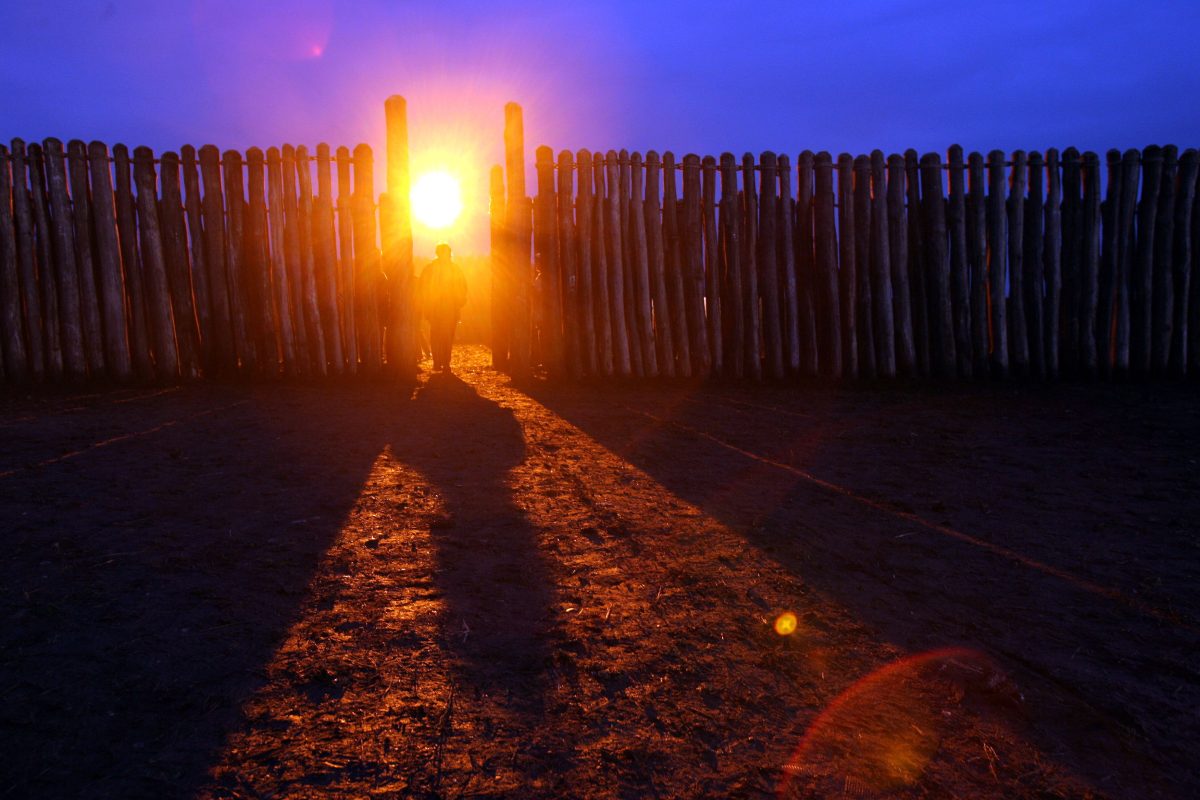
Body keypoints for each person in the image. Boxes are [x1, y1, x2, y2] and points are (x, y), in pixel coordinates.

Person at [418, 242, 468, 373]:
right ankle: (441, 363)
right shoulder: (454, 269)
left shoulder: (431, 269)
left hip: (443, 310)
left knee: (440, 336)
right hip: (443, 310)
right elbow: (463, 289)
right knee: (441, 337)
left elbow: (422, 288)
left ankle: (441, 363)